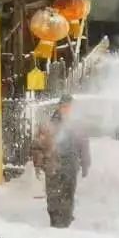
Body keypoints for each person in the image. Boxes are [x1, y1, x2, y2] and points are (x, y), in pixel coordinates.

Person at [30, 93, 91, 229]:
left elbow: (84, 144)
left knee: (68, 195)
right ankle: (55, 222)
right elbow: (37, 146)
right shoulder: (49, 124)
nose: (66, 109)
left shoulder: (77, 125)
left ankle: (66, 222)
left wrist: (85, 163)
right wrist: (38, 164)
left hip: (71, 166)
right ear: (59, 107)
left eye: (69, 107)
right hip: (53, 165)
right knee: (53, 197)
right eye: (64, 106)